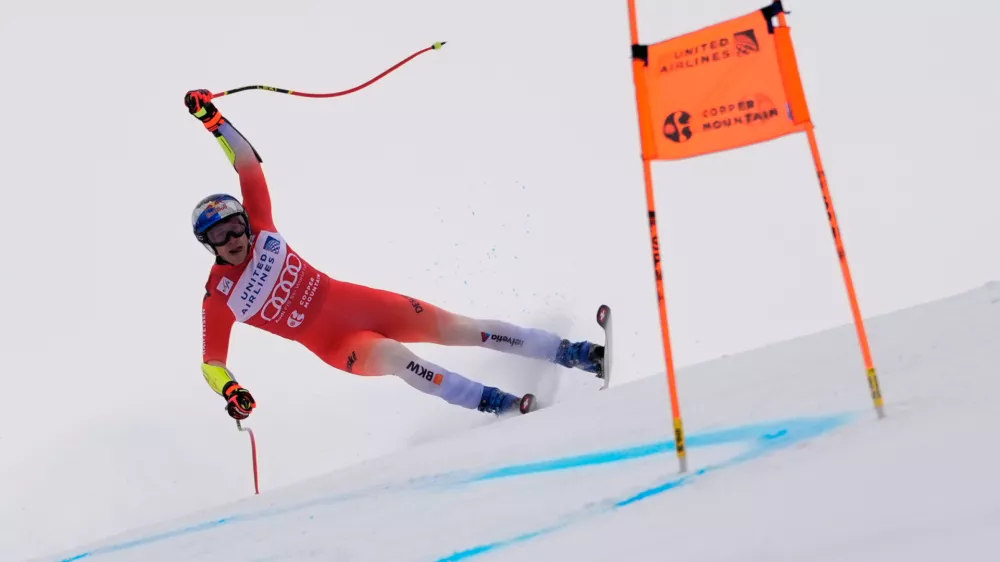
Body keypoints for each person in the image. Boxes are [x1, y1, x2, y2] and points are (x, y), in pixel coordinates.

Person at [184, 89, 605, 421]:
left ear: (245, 221)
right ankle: (500, 404)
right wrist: (231, 391)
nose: (234, 240)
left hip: (363, 303)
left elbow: (248, 164)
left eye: (236, 227)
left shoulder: (262, 227)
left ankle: (578, 354)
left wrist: (214, 121)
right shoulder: (218, 295)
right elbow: (211, 364)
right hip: (340, 343)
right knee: (400, 360)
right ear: (210, 246)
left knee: (462, 328)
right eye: (220, 237)